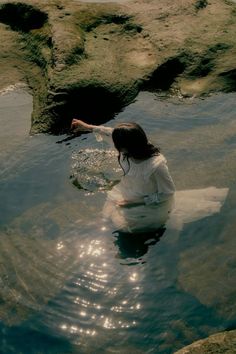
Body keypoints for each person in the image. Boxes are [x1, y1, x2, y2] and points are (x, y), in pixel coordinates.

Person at [71, 119, 175, 233]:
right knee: (105, 217)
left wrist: (135, 202)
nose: (114, 145)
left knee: (124, 229)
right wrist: (85, 126)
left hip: (149, 203)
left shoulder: (156, 165)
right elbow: (108, 132)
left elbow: (168, 193)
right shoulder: (132, 146)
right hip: (128, 191)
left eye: (117, 144)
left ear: (126, 146)